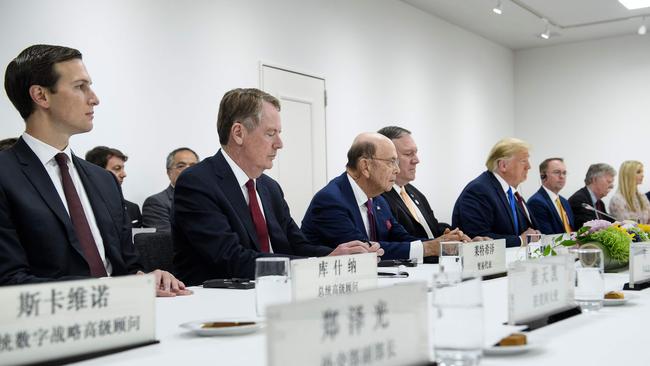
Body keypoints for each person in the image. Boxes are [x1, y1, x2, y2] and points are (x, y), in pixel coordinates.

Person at [0, 44, 189, 296]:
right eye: (80, 86)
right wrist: (109, 291)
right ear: (41, 96)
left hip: (125, 317)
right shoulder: (6, 175)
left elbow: (127, 265)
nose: (94, 98)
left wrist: (145, 279)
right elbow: (10, 281)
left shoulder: (102, 180)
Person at [172, 88, 381, 285]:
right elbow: (231, 259)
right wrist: (318, 265)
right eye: (271, 133)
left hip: (276, 291)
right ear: (238, 133)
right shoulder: (197, 182)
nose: (279, 143)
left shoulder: (269, 187)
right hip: (219, 304)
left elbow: (297, 244)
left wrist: (336, 256)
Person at [301, 132, 467, 262]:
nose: (397, 169)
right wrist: (429, 248)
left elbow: (402, 238)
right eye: (391, 162)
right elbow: (364, 251)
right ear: (365, 166)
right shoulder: (331, 200)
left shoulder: (378, 198)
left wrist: (443, 243)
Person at [452, 138, 539, 247]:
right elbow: (477, 238)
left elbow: (524, 231)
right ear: (503, 165)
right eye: (523, 161)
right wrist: (520, 240)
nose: (529, 167)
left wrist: (535, 234)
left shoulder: (511, 194)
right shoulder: (478, 190)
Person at [377, 126, 451, 238]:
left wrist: (452, 233)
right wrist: (434, 245)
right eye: (408, 154)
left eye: (415, 153)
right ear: (389, 157)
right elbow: (398, 240)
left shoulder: (414, 192)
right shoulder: (379, 196)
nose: (416, 160)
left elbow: (432, 228)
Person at [142, 147, 199, 231]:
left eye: (193, 166)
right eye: (181, 166)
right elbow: (167, 238)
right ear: (169, 173)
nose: (188, 170)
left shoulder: (210, 199)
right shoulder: (156, 203)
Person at [85, 146, 142, 227]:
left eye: (123, 168)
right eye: (117, 168)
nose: (124, 174)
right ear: (97, 171)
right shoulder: (83, 207)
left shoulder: (132, 208)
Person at [527, 158, 575, 234]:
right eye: (557, 172)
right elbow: (547, 236)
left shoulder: (565, 202)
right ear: (543, 176)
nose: (562, 176)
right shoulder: (536, 202)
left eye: (564, 173)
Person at [568, 163, 616, 228]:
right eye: (609, 181)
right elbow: (588, 228)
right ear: (594, 179)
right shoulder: (579, 200)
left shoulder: (600, 203)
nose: (612, 186)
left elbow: (610, 222)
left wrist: (622, 224)